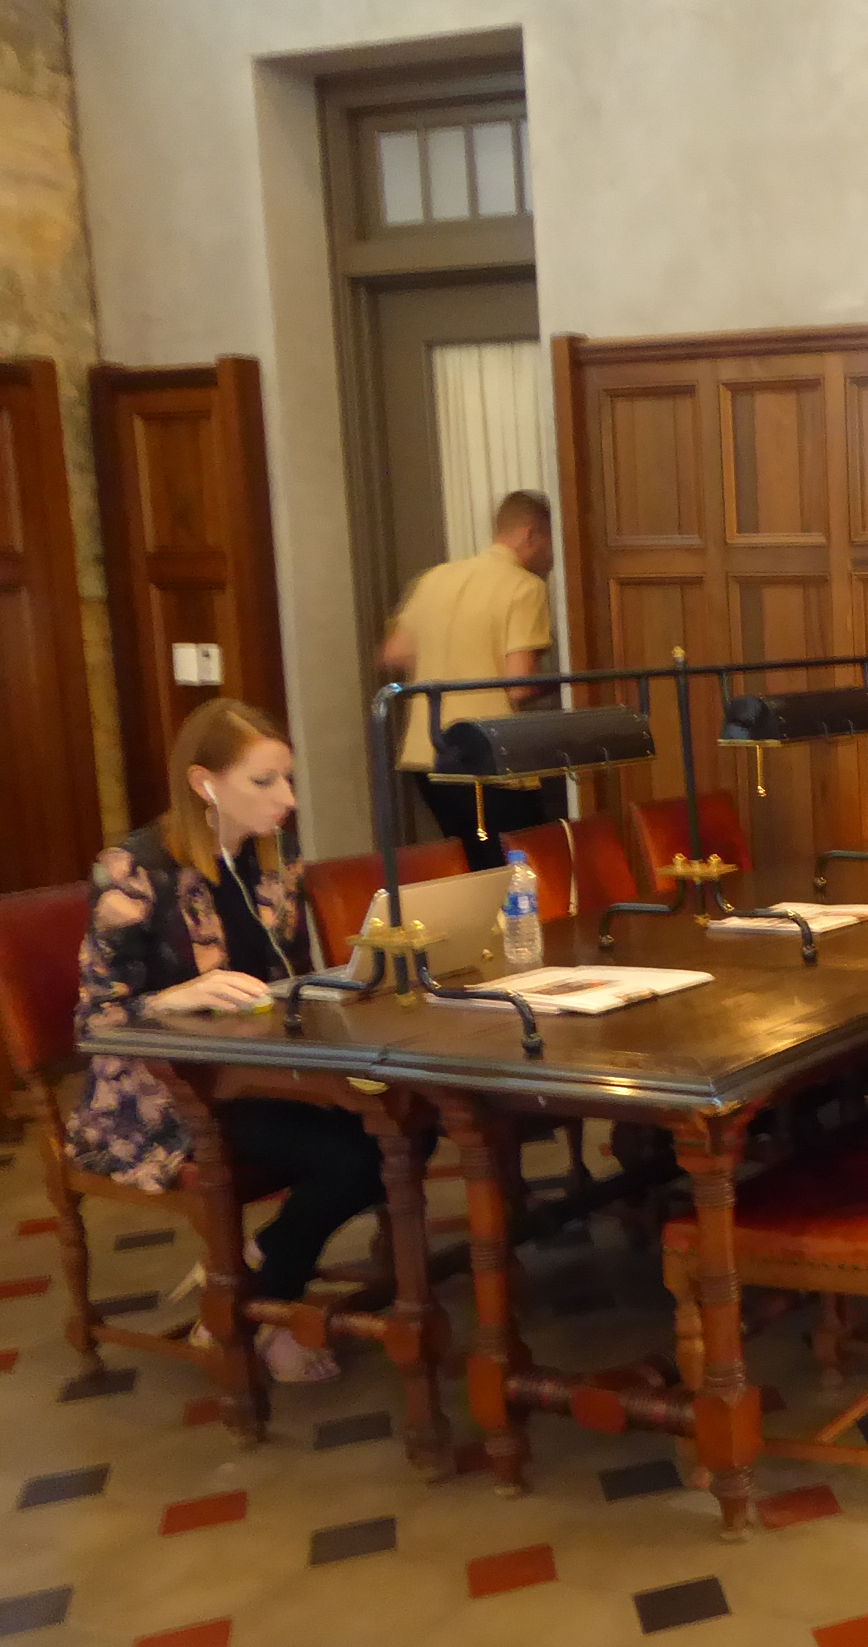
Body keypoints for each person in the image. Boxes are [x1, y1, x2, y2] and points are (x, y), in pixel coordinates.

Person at [66, 698, 393, 1384]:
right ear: (204, 784)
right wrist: (173, 997)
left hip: (262, 1070)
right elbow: (94, 1021)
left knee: (401, 1126)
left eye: (288, 780)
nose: (288, 800)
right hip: (166, 1094)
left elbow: (288, 980)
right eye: (264, 781)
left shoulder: (275, 859)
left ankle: (251, 1276)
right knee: (351, 1156)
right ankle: (269, 1312)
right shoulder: (134, 871)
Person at [380, 488, 558, 870]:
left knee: (469, 866)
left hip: (426, 753)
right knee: (521, 871)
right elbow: (519, 687)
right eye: (551, 540)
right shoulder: (524, 586)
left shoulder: (433, 578)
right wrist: (560, 682)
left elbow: (394, 653)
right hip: (487, 756)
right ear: (532, 534)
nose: (554, 555)